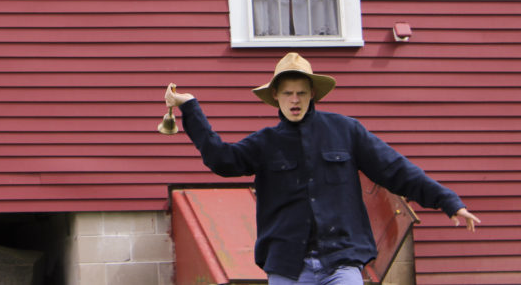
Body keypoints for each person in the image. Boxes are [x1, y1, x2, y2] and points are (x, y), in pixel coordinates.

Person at [164, 52, 480, 285]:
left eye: (301, 92)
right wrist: (190, 108)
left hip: (341, 263)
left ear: (313, 93)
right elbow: (223, 160)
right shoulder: (266, 143)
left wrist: (449, 202)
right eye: (287, 93)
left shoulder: (346, 131)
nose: (295, 99)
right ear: (275, 97)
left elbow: (395, 169)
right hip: (288, 267)